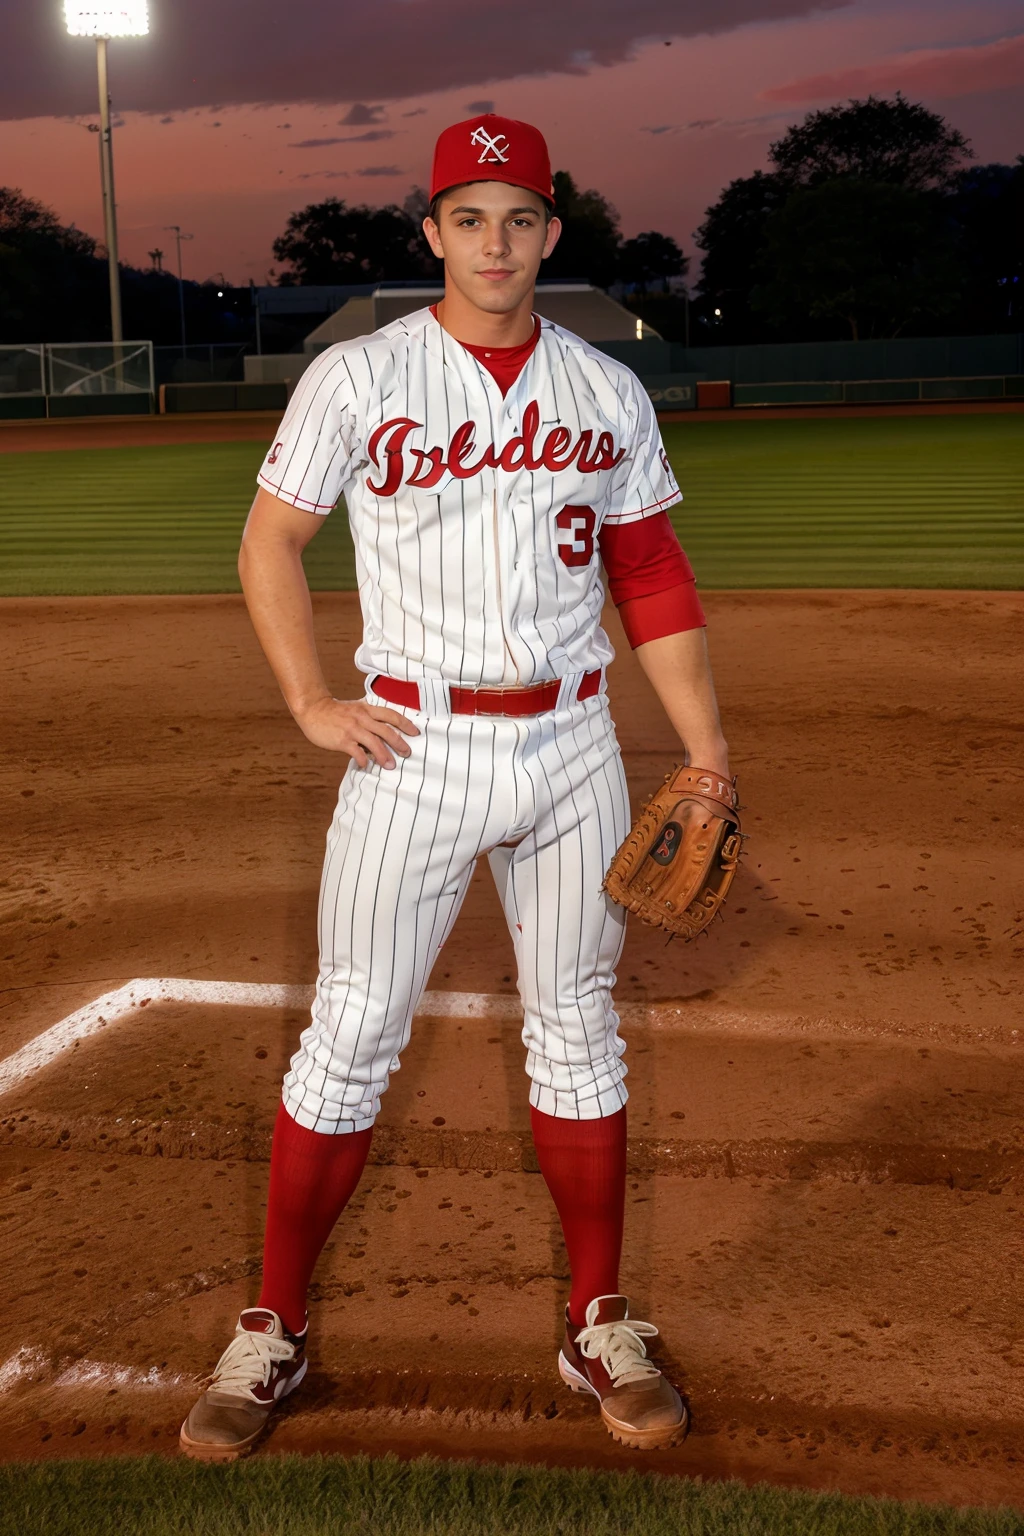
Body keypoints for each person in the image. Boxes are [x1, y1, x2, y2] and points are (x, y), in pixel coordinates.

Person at [179, 113, 730, 1461]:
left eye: (521, 217)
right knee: (351, 1038)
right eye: (469, 217)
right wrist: (313, 700)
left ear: (552, 232)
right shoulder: (360, 378)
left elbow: (650, 575)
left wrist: (707, 754)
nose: (496, 241)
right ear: (431, 233)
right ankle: (275, 1328)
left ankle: (596, 1318)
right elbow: (272, 541)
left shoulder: (605, 389)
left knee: (580, 1028)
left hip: (573, 750)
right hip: (409, 752)